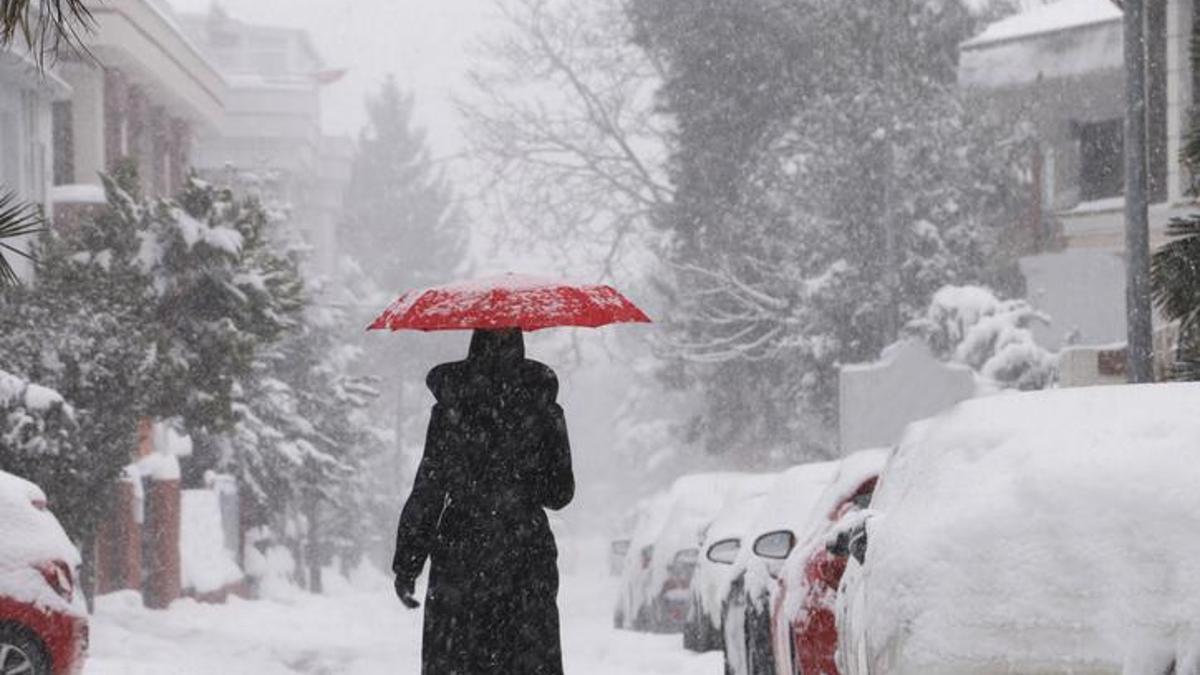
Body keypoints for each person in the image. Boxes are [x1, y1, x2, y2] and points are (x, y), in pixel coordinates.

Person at [393, 328, 575, 675]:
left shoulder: (451, 407)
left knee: (459, 658)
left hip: (461, 553)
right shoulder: (542, 408)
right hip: (524, 553)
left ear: (474, 344)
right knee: (525, 659)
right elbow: (560, 494)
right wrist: (525, 476)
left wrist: (408, 563)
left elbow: (429, 489)